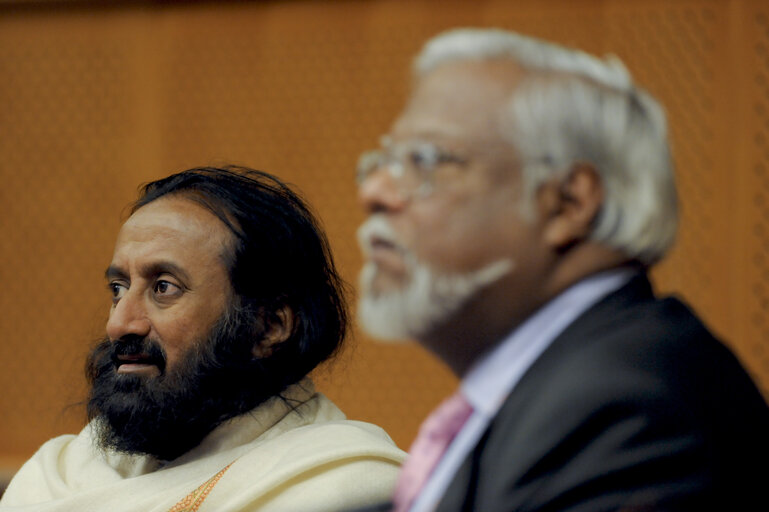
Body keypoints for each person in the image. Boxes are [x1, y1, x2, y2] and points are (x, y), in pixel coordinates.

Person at [355, 28, 769, 512]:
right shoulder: (547, 393)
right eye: (383, 162)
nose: (375, 191)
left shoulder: (625, 409)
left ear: (568, 203)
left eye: (424, 160)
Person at [1, 166, 405, 512]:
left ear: (269, 327)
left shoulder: (340, 488)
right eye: (118, 289)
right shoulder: (62, 477)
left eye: (163, 287)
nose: (120, 324)